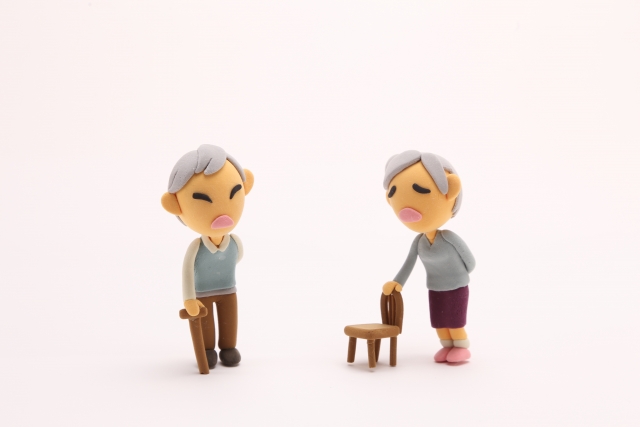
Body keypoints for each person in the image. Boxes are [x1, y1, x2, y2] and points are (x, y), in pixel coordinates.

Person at [161, 144, 254, 368]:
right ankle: (207, 349)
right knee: (206, 324)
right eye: (203, 199)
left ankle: (229, 347)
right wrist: (189, 299)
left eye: (234, 193)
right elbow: (187, 273)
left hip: (229, 290)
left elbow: (236, 259)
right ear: (175, 205)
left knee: (230, 321)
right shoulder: (196, 248)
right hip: (202, 293)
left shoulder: (235, 243)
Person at [382, 150, 475, 363]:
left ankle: (461, 347)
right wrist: (397, 283)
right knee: (439, 320)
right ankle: (447, 346)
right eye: (393, 192)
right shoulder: (419, 242)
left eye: (421, 190)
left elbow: (471, 262)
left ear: (451, 190)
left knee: (455, 320)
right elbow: (409, 264)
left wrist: (458, 275)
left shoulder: (449, 238)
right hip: (435, 287)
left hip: (456, 287)